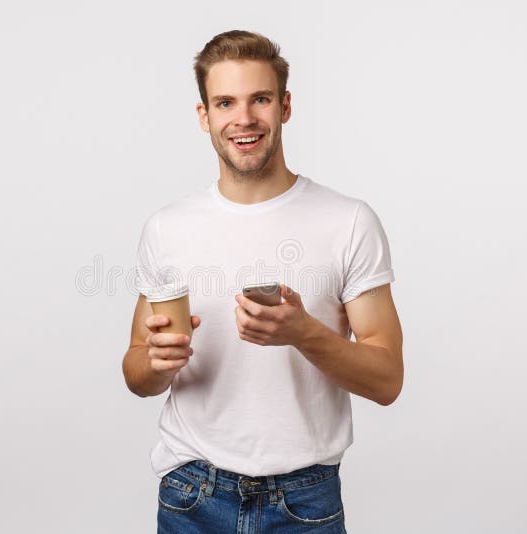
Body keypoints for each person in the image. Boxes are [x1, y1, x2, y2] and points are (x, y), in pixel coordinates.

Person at [122, 30, 404, 533]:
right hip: (192, 496)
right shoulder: (167, 228)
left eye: (260, 99)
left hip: (305, 502)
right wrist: (156, 362)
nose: (244, 118)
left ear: (285, 106)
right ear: (204, 116)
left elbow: (388, 380)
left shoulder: (349, 222)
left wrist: (304, 333)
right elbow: (136, 372)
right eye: (225, 102)